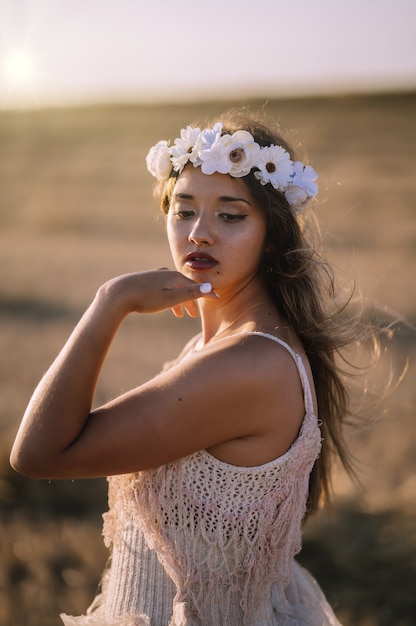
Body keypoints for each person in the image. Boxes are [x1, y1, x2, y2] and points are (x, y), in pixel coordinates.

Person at [10, 111, 371, 625]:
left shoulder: (248, 364)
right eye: (183, 210)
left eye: (231, 215)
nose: (199, 233)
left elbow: (39, 453)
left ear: (272, 235)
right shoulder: (231, 347)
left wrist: (109, 303)